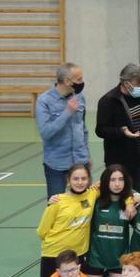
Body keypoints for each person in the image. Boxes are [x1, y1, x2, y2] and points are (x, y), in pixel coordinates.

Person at [94, 64, 140, 187]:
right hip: (118, 161)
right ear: (126, 83)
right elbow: (100, 130)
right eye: (138, 84)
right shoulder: (108, 100)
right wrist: (121, 131)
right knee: (120, 195)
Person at [36, 63, 88, 196]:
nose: (82, 83)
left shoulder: (79, 97)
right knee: (56, 206)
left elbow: (82, 127)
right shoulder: (44, 101)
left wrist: (86, 154)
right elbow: (46, 132)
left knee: (85, 205)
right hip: (57, 164)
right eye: (78, 79)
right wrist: (67, 112)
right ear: (66, 81)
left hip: (80, 162)